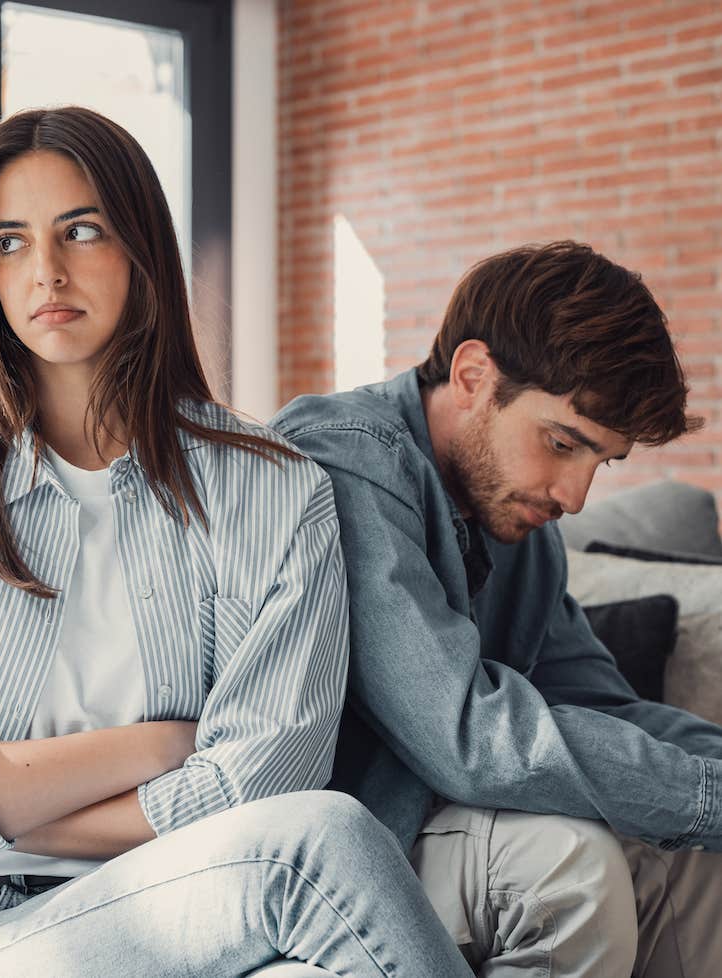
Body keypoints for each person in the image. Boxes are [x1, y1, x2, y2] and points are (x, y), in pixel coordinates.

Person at [0, 106, 473, 978]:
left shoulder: (273, 490)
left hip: (192, 894)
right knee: (324, 841)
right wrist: (161, 743)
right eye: (10, 242)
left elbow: (264, 780)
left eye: (81, 230)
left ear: (140, 246)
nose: (45, 271)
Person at [272, 241, 722, 978]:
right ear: (474, 375)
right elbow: (466, 735)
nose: (575, 496)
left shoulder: (523, 532)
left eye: (599, 462)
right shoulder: (347, 460)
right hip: (341, 852)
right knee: (572, 870)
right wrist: (704, 795)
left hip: (445, 831)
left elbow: (607, 705)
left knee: (704, 865)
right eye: (561, 443)